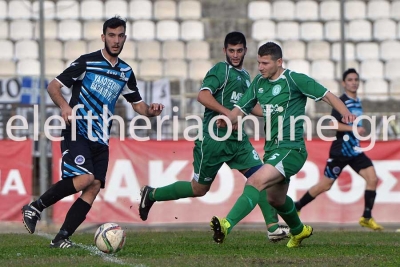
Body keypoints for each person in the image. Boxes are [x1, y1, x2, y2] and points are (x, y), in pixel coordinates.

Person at [21, 16, 164, 248]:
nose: (116, 40)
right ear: (103, 37)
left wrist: (150, 110)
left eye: (120, 36)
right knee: (84, 178)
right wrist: (65, 106)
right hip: (78, 130)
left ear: (125, 38)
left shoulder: (125, 72)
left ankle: (61, 238)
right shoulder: (87, 62)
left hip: (101, 138)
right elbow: (53, 86)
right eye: (111, 35)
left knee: (94, 185)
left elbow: (137, 104)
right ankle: (36, 207)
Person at [139, 32, 290, 242]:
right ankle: (152, 193)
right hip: (214, 139)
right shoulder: (221, 70)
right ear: (224, 51)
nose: (235, 55)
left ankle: (273, 227)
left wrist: (270, 112)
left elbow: (249, 105)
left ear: (245, 50)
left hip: (237, 140)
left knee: (261, 178)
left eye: (239, 50)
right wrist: (227, 114)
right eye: (231, 51)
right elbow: (203, 95)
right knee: (198, 189)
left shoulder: (246, 76)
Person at [210, 42, 356, 248]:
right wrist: (228, 118)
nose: (260, 67)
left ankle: (225, 225)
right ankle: (299, 231)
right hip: (272, 150)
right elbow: (241, 109)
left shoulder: (295, 80)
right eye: (259, 62)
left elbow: (328, 95)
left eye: (265, 63)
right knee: (275, 199)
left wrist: (345, 112)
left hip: (291, 149)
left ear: (279, 62)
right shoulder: (259, 82)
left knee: (254, 181)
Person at [295, 68, 383, 231]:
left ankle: (367, 217)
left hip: (354, 150)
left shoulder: (357, 102)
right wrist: (353, 129)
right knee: (325, 185)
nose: (353, 83)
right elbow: (331, 124)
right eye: (350, 80)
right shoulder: (341, 102)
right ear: (344, 83)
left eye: (356, 80)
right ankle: (297, 207)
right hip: (340, 150)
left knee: (372, 178)